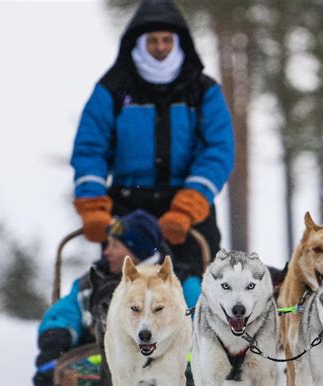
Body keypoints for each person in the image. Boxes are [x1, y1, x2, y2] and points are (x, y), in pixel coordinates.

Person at [70, 0, 235, 298]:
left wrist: (188, 207)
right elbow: (90, 149)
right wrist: (93, 205)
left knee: (196, 282)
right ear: (139, 42)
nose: (160, 47)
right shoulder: (112, 89)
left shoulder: (203, 90)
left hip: (187, 206)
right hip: (127, 205)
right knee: (121, 287)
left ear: (179, 42)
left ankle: (199, 336)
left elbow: (218, 150)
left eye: (166, 40)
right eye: (153, 40)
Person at [32, 209, 172, 386]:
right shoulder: (92, 283)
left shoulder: (176, 282)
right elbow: (65, 312)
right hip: (96, 364)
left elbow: (196, 321)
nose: (106, 252)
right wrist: (55, 341)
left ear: (135, 252)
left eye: (114, 246)